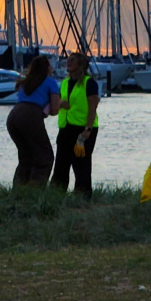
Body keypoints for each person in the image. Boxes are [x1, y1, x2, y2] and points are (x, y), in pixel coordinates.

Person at [7, 56, 62, 187]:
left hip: (14, 115)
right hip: (31, 115)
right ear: (47, 67)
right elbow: (54, 109)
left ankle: (19, 192)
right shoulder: (50, 82)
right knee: (45, 157)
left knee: (26, 157)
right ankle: (34, 192)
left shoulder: (26, 82)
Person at [51, 53, 100, 197]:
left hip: (83, 129)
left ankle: (83, 197)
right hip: (66, 128)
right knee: (61, 163)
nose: (68, 62)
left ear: (80, 64)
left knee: (81, 165)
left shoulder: (88, 83)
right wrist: (60, 104)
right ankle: (56, 196)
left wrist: (88, 129)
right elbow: (60, 103)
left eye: (72, 60)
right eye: (68, 59)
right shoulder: (65, 83)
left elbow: (93, 107)